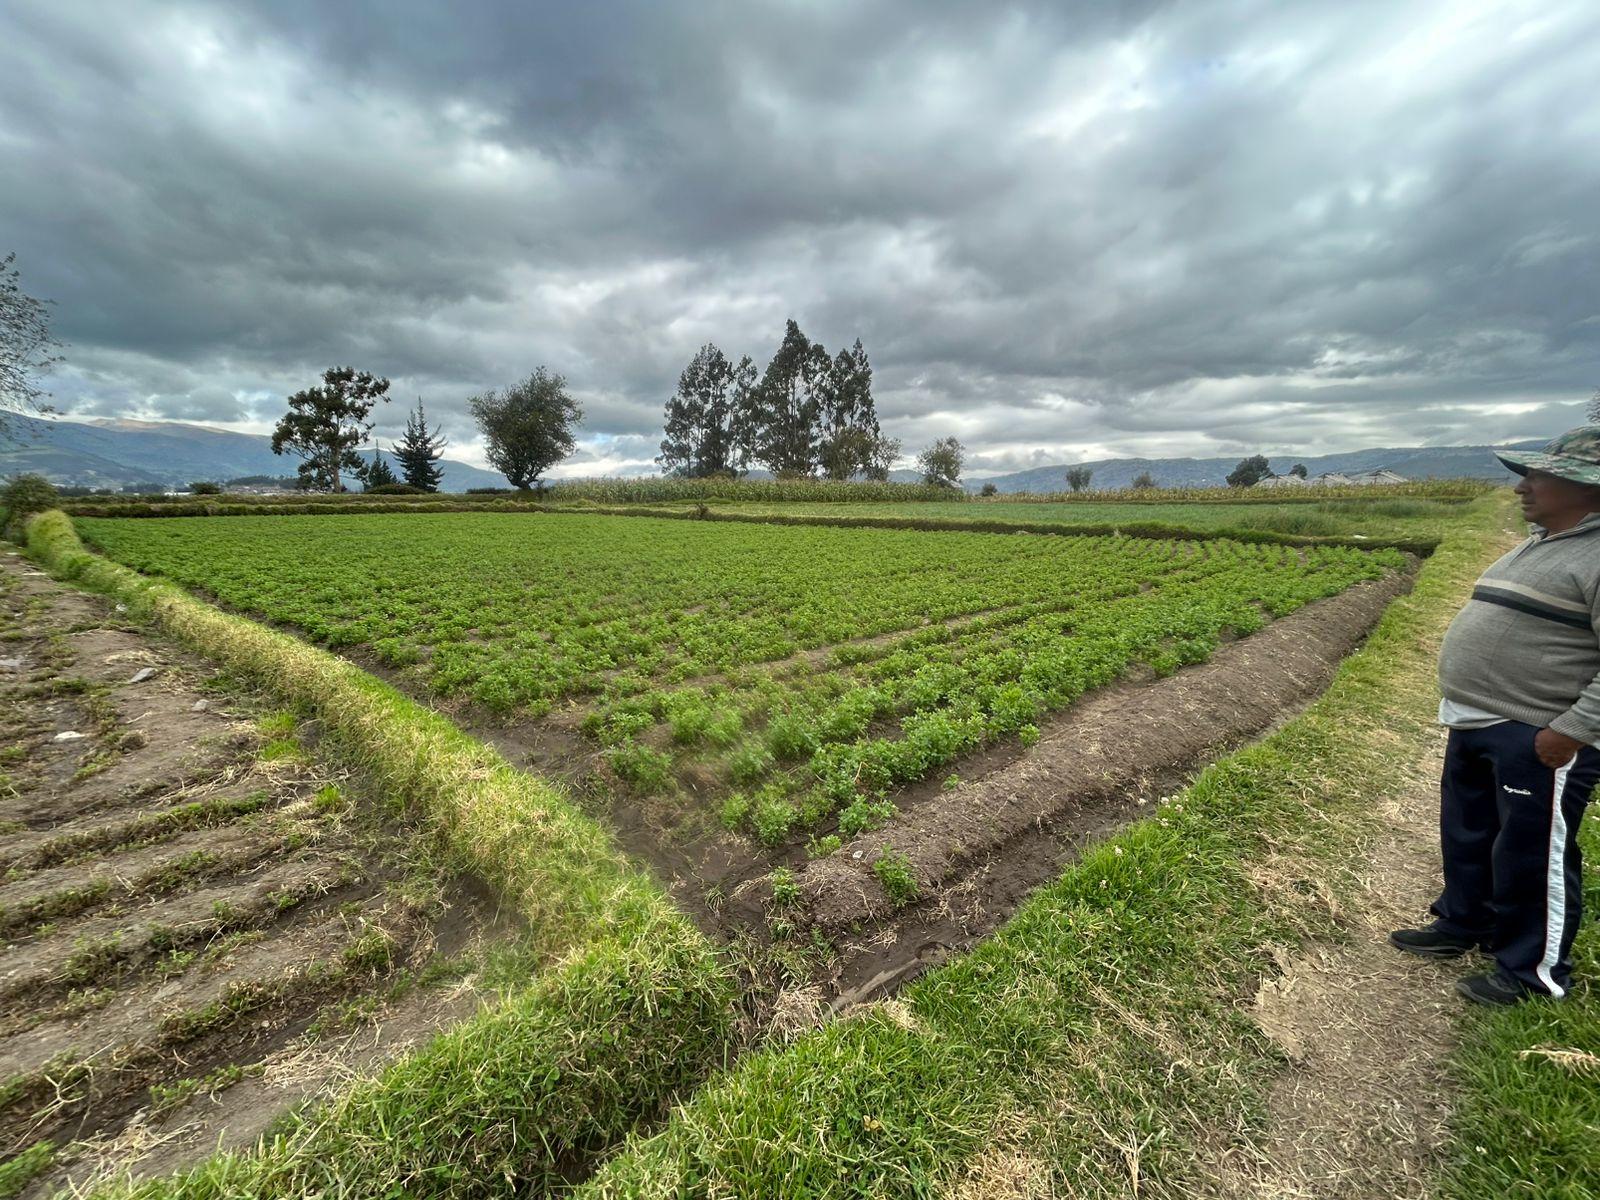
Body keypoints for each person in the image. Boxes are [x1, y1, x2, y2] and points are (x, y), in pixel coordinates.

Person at [1390, 428, 1600, 1006]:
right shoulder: (1544, 542)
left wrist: (1570, 732)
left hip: (1540, 733)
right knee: (1470, 831)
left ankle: (1534, 973)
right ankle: (1466, 921)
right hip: (1479, 722)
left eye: (1538, 476)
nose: (1522, 487)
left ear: (1587, 485)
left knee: (1530, 852)